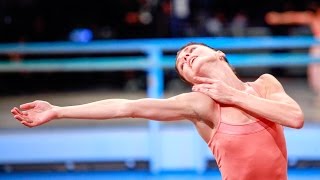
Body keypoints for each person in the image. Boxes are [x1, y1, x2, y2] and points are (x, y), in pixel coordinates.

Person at [11, 43, 304, 180]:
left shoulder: (265, 84)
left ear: (219, 54)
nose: (185, 56)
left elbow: (294, 118)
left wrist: (233, 95)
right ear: (190, 80)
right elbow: (128, 107)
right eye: (181, 63)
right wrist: (60, 111)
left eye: (192, 51)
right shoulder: (202, 106)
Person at [265, 2, 320, 106]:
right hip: (317, 47)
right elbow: (294, 17)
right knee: (315, 74)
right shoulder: (312, 17)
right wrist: (278, 18)